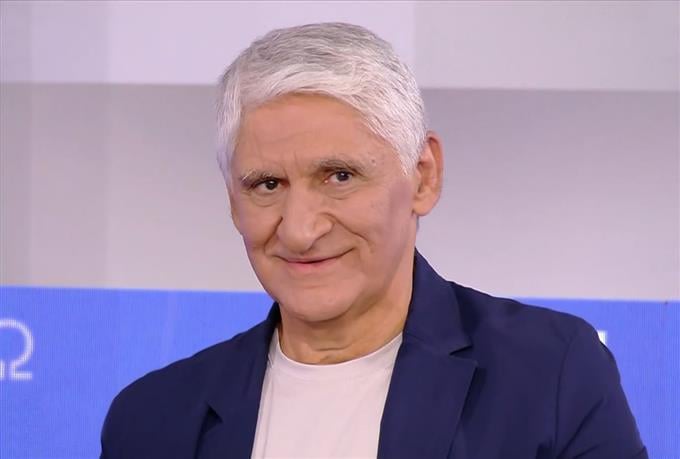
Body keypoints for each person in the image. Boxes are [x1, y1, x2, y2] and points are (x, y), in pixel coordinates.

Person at [100, 23, 646, 459]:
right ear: (231, 200)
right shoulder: (152, 418)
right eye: (267, 185)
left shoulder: (551, 376)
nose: (300, 230)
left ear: (423, 176)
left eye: (339, 176)